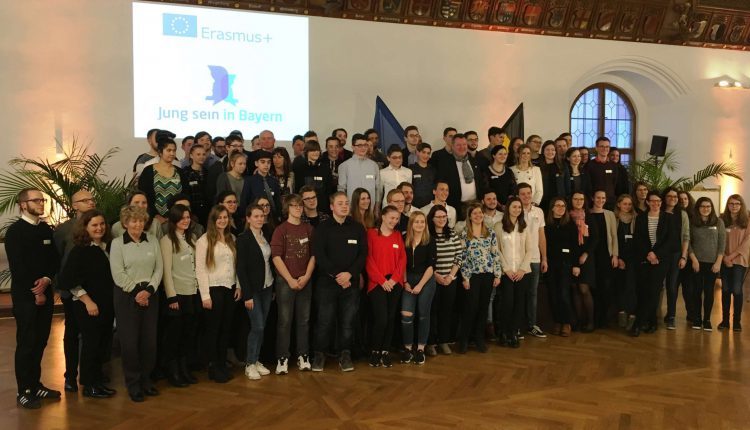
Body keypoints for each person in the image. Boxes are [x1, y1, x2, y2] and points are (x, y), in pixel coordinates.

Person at [5, 188, 60, 409]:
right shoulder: (15, 232)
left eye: (42, 200)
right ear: (23, 204)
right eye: (36, 200)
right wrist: (36, 292)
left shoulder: (45, 229)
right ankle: (24, 391)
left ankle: (36, 385)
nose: (41, 203)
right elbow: (18, 267)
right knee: (27, 343)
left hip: (45, 292)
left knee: (41, 341)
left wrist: (47, 279)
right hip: (25, 297)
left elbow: (54, 259)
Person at [58, 209, 116, 398]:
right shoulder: (80, 250)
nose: (99, 228)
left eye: (102, 224)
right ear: (85, 227)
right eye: (94, 225)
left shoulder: (107, 247)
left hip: (106, 304)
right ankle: (89, 386)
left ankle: (97, 381)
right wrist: (88, 301)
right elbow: (67, 280)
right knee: (91, 344)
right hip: (88, 306)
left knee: (101, 344)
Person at [109, 206, 163, 402]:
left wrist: (148, 291)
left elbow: (159, 269)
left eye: (141, 221)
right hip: (127, 297)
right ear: (125, 223)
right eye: (134, 221)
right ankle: (133, 383)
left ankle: (146, 380)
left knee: (149, 342)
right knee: (130, 343)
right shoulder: (117, 243)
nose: (138, 224)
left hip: (150, 294)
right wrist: (136, 293)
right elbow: (118, 273)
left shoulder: (153, 240)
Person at [311, 192, 368, 372]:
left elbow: (363, 254)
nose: (344, 206)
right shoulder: (322, 228)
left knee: (347, 322)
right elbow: (319, 255)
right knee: (324, 321)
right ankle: (319, 354)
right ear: (331, 207)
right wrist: (338, 275)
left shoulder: (357, 228)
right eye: (340, 203)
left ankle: (345, 355)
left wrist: (349, 274)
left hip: (350, 283)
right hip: (327, 283)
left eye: (346, 203)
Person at [53, 189, 96, 393]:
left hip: (95, 289)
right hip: (72, 291)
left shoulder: (99, 224)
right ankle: (70, 375)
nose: (91, 202)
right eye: (85, 200)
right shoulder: (64, 230)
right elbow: (58, 259)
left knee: (94, 334)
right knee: (72, 333)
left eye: (92, 199)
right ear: (74, 205)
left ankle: (93, 373)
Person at [270, 195, 315, 374]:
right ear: (287, 208)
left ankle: (303, 355)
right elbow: (276, 257)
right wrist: (289, 279)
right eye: (294, 206)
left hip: (305, 280)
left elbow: (313, 255)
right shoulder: (280, 230)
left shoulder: (309, 229)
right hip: (285, 281)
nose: (298, 208)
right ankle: (282, 358)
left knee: (304, 320)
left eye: (300, 206)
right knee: (284, 321)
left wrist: (306, 276)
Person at [196, 205, 241, 383]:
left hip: (230, 288)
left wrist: (238, 285)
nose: (223, 220)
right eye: (219, 218)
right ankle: (213, 366)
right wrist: (205, 295)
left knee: (225, 329)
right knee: (213, 330)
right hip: (213, 289)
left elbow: (236, 265)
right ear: (213, 220)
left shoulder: (231, 238)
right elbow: (200, 269)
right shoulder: (204, 240)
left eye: (225, 217)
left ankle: (222, 364)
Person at [159, 204, 199, 388]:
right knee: (174, 335)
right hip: (177, 293)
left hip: (192, 292)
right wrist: (171, 296)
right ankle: (173, 370)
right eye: (182, 217)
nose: (186, 220)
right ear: (174, 220)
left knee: (187, 334)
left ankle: (184, 368)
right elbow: (166, 271)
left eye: (188, 217)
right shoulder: (167, 241)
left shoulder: (192, 238)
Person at [457, 202, 502, 353]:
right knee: (471, 307)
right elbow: (462, 257)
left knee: (483, 308)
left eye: (480, 213)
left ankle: (479, 339)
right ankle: (464, 340)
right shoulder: (464, 234)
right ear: (469, 216)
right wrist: (465, 278)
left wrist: (497, 274)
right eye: (475, 213)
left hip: (488, 274)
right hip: (472, 276)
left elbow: (495, 254)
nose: (478, 215)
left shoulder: (490, 232)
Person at [236, 205, 275, 380]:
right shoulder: (243, 239)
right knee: (257, 326)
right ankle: (250, 363)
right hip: (252, 290)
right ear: (248, 218)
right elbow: (241, 268)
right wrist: (247, 295)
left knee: (262, 326)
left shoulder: (265, 236)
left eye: (262, 216)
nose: (260, 219)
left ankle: (256, 359)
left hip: (267, 286)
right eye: (256, 216)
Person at [366, 206, 407, 368]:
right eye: (391, 218)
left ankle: (385, 351)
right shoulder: (371, 234)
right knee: (381, 318)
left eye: (397, 219)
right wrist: (382, 281)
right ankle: (375, 350)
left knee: (390, 318)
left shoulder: (397, 235)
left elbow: (402, 259)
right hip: (377, 283)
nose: (394, 221)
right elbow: (368, 259)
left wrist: (394, 280)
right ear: (383, 217)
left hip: (394, 283)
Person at [630, 191, 671, 336]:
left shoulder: (668, 218)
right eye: (652, 201)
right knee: (643, 291)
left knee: (653, 291)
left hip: (661, 261)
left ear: (661, 202)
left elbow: (670, 241)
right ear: (647, 202)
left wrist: (656, 254)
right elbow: (638, 239)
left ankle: (638, 323)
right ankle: (652, 322)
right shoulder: (641, 218)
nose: (655, 203)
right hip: (644, 259)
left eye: (658, 201)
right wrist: (649, 254)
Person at [494, 197, 533, 347]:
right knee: (507, 303)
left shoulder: (524, 226)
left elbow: (530, 250)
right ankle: (504, 332)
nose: (517, 209)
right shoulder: (499, 226)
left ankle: (514, 332)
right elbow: (496, 249)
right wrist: (506, 269)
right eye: (514, 207)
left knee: (519, 303)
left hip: (522, 272)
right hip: (507, 273)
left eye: (519, 207)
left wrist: (522, 269)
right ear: (507, 208)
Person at [400, 212, 437, 365]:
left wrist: (420, 285)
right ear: (411, 224)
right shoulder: (404, 239)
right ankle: (408, 349)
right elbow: (401, 262)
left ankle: (421, 349)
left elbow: (431, 266)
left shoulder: (430, 240)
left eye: (422, 222)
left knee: (423, 314)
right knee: (406, 315)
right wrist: (405, 282)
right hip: (408, 279)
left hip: (426, 279)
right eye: (416, 222)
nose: (420, 224)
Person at [426, 205, 462, 356]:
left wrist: (450, 276)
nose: (442, 219)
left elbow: (459, 255)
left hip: (450, 280)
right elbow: (426, 258)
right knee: (432, 311)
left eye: (444, 216)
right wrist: (436, 275)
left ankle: (444, 341)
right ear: (432, 219)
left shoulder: (452, 233)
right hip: (432, 279)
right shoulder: (428, 235)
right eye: (438, 217)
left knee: (446, 311)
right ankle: (431, 343)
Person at [688, 197, 726, 332]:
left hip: (712, 264)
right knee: (696, 291)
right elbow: (687, 242)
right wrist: (694, 259)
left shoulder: (718, 222)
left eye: (708, 206)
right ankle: (697, 318)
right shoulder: (692, 222)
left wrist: (718, 262)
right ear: (698, 208)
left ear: (712, 208)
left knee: (709, 292)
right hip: (696, 263)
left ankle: (707, 320)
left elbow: (722, 244)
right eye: (703, 206)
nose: (705, 209)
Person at [517, 183, 548, 338]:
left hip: (535, 258)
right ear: (518, 196)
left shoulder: (539, 211)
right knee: (519, 293)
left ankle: (532, 325)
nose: (526, 196)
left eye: (528, 193)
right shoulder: (515, 210)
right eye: (523, 194)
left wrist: (544, 258)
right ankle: (516, 326)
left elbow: (541, 236)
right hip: (519, 260)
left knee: (532, 293)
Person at [544, 197, 579, 337]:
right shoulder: (546, 225)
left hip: (566, 264)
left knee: (564, 294)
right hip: (550, 264)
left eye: (563, 206)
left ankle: (567, 322)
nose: (561, 208)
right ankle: (557, 321)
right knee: (553, 294)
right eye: (558, 205)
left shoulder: (570, 225)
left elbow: (575, 246)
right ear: (552, 208)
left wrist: (576, 265)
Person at [138, 137, 189, 225]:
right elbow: (144, 196)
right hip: (154, 219)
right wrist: (155, 215)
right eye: (168, 150)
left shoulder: (180, 172)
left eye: (174, 150)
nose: (172, 153)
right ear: (160, 152)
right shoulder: (149, 171)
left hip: (177, 218)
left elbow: (185, 194)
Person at [588, 190, 619, 328]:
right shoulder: (587, 213)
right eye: (598, 198)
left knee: (605, 287)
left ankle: (603, 318)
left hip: (606, 255)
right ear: (592, 198)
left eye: (603, 198)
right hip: (591, 256)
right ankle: (593, 319)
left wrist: (615, 255)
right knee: (593, 288)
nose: (600, 200)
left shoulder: (610, 214)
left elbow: (614, 235)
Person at [662, 187, 691, 330]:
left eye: (675, 197)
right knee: (656, 286)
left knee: (672, 286)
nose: (672, 199)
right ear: (664, 197)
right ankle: (651, 315)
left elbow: (686, 236)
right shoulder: (659, 211)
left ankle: (671, 316)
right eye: (669, 196)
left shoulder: (682, 214)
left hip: (675, 254)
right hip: (659, 255)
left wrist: (684, 256)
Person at [433, 134, 481, 221]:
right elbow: (441, 184)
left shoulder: (474, 160)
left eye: (464, 144)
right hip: (457, 206)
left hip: (475, 204)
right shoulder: (445, 163)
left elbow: (480, 181)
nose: (462, 147)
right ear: (452, 146)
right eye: (458, 145)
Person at [720, 194, 750, 332]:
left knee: (737, 290)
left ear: (741, 205)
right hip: (724, 259)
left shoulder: (747, 221)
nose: (734, 206)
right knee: (725, 290)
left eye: (737, 203)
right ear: (728, 205)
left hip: (739, 260)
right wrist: (724, 257)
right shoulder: (722, 220)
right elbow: (718, 240)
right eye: (731, 203)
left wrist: (731, 257)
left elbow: (747, 242)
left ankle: (736, 321)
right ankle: (725, 321)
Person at [569, 191, 596, 332]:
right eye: (576, 199)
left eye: (581, 199)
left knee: (584, 289)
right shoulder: (567, 216)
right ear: (571, 200)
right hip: (571, 257)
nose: (578, 201)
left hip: (586, 257)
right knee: (575, 288)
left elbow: (595, 238)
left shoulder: (589, 216)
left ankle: (590, 322)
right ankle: (579, 322)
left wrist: (586, 254)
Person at [613, 194, 637, 332]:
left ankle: (632, 314)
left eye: (629, 204)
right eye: (625, 204)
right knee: (620, 285)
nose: (627, 206)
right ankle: (621, 312)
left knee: (631, 286)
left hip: (633, 257)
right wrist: (618, 257)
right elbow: (612, 238)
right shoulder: (614, 218)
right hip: (618, 256)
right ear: (619, 204)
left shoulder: (636, 218)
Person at [338, 133, 381, 207]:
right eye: (360, 145)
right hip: (351, 207)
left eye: (365, 145)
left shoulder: (374, 165)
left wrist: (377, 206)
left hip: (370, 207)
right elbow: (341, 189)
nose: (363, 148)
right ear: (353, 147)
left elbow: (378, 188)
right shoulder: (344, 166)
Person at [582, 137, 622, 208]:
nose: (605, 149)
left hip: (610, 202)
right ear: (596, 148)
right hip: (594, 203)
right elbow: (587, 185)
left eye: (607, 146)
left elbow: (614, 183)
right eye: (602, 146)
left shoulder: (614, 165)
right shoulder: (589, 165)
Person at [293, 141, 334, 208]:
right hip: (305, 207)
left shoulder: (325, 168)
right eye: (312, 150)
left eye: (317, 150)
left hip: (323, 207)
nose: (316, 152)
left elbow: (329, 190)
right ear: (306, 152)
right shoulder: (300, 169)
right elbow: (298, 190)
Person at [215, 152, 251, 226]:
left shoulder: (246, 179)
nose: (243, 166)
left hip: (242, 215)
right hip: (227, 215)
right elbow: (221, 198)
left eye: (244, 164)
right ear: (232, 164)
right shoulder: (224, 177)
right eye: (240, 164)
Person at [183, 143, 210, 226]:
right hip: (192, 213)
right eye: (198, 154)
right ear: (191, 155)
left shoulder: (208, 172)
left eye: (203, 154)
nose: (201, 157)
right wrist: (190, 212)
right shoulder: (185, 172)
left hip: (207, 212)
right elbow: (184, 193)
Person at [410, 142, 436, 208]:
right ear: (417, 152)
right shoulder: (411, 169)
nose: (426, 155)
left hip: (430, 206)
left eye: (428, 153)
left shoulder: (433, 170)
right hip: (415, 206)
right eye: (423, 152)